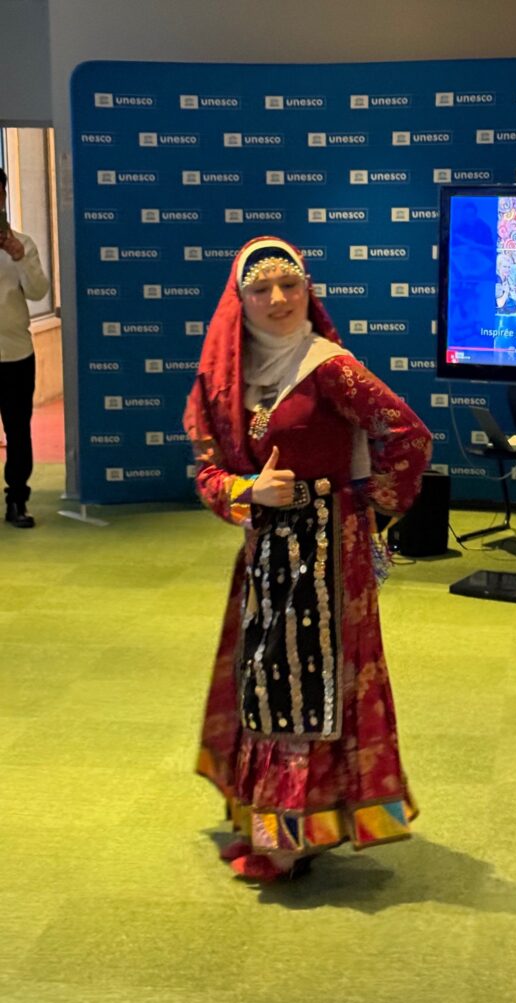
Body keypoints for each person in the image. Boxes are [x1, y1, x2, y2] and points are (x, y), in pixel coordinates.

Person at [183, 237, 432, 882]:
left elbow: (407, 434)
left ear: (308, 291)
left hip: (326, 553)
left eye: (290, 284)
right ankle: (281, 823)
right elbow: (208, 473)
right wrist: (247, 491)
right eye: (261, 289)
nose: (278, 299)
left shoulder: (328, 367)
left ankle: (290, 837)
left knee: (310, 685)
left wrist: (369, 509)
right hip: (266, 552)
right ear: (239, 301)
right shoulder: (225, 379)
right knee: (266, 679)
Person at [0, 167, 49, 528]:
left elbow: (38, 291)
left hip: (15, 354)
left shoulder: (22, 244)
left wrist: (19, 257)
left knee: (18, 431)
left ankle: (17, 499)